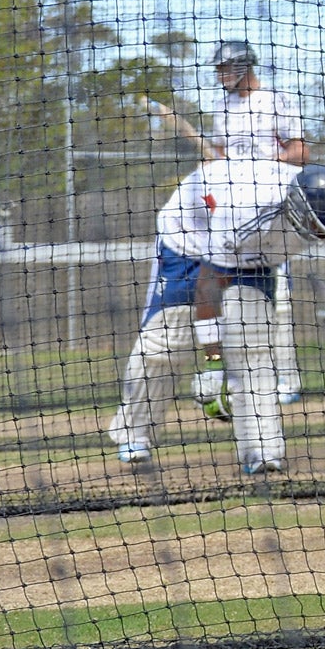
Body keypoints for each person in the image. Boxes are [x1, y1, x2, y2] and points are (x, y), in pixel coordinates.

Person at [147, 40, 309, 401]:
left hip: (270, 209)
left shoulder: (276, 100)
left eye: (225, 69)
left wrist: (265, 170)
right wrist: (216, 167)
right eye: (218, 70)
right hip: (233, 211)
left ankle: (288, 381)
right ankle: (240, 382)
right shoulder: (222, 106)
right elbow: (221, 153)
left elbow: (300, 151)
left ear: (243, 68)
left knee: (279, 305)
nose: (220, 76)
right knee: (228, 300)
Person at [190, 160, 325, 475]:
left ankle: (265, 452)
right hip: (194, 236)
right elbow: (208, 286)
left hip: (261, 253)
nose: (324, 238)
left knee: (256, 350)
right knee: (167, 341)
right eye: (317, 230)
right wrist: (213, 363)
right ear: (297, 214)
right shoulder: (243, 215)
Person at [106, 171, 210, 464]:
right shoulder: (206, 177)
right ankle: (134, 434)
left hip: (253, 246)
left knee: (254, 336)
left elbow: (299, 153)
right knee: (163, 346)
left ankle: (261, 445)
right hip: (189, 242)